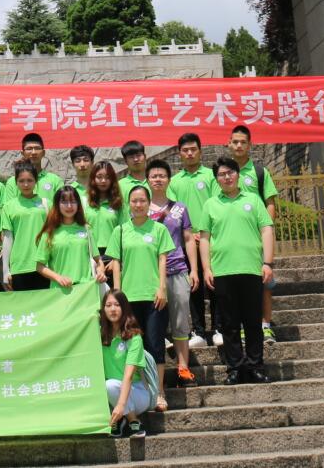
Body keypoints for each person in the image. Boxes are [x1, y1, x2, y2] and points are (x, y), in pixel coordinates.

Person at [198, 156, 275, 385]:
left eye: (230, 172)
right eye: (221, 174)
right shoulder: (210, 204)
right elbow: (204, 238)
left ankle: (255, 366)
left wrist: (267, 263)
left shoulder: (253, 200)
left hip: (252, 269)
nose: (227, 177)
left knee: (253, 322)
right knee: (229, 324)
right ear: (216, 179)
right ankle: (234, 368)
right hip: (222, 271)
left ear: (238, 175)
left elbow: (266, 230)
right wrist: (206, 268)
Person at [108, 185, 173, 403]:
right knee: (132, 346)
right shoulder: (120, 231)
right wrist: (117, 295)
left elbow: (162, 260)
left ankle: (159, 392)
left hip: (154, 297)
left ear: (148, 203)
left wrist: (162, 288)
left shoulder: (159, 229)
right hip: (128, 299)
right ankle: (138, 392)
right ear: (129, 204)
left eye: (142, 201)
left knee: (155, 344)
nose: (138, 205)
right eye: (134, 201)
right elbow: (116, 264)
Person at [146, 159, 198, 393]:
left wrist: (193, 269)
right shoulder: (140, 207)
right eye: (153, 176)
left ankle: (183, 368)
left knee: (180, 321)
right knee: (154, 324)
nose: (158, 179)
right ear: (147, 180)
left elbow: (188, 239)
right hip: (151, 274)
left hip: (177, 270)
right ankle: (155, 373)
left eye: (162, 175)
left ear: (169, 180)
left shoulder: (180, 208)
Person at [168, 133, 221, 350]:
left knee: (215, 284)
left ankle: (218, 328)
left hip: (210, 240)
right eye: (185, 150)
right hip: (186, 242)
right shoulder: (174, 182)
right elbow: (172, 212)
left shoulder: (211, 176)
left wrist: (205, 231)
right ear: (179, 153)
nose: (189, 153)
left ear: (200, 151)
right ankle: (198, 331)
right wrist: (187, 233)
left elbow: (217, 204)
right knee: (193, 285)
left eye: (193, 149)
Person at [229, 125, 279, 344]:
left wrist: (266, 230)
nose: (239, 145)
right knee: (238, 284)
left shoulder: (259, 172)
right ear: (229, 144)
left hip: (257, 238)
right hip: (233, 239)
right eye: (235, 142)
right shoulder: (224, 172)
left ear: (250, 145)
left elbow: (270, 203)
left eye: (243, 142)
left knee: (264, 282)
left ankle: (265, 325)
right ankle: (242, 326)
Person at [34, 185, 105, 290]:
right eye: (64, 202)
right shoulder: (49, 232)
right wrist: (58, 278)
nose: (69, 206)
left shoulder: (86, 229)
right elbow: (40, 266)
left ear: (78, 204)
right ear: (57, 205)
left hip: (86, 290)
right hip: (59, 291)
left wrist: (100, 272)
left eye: (73, 201)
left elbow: (98, 260)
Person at [101, 290, 151, 439]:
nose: (112, 309)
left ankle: (133, 420)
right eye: (108, 305)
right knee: (109, 386)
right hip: (112, 395)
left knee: (110, 385)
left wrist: (120, 405)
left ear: (124, 308)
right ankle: (121, 418)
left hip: (137, 393)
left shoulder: (134, 337)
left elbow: (128, 376)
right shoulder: (99, 335)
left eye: (117, 305)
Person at [0, 162, 51, 291]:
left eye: (30, 180)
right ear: (16, 182)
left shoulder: (47, 204)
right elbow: (7, 239)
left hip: (45, 265)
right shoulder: (9, 207)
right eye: (21, 181)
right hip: (19, 266)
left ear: (36, 181)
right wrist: (6, 270)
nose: (26, 184)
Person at [87, 160, 127, 280]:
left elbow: (125, 232)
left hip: (113, 256)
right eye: (99, 177)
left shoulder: (119, 204)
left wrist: (117, 259)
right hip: (90, 255)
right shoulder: (85, 202)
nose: (103, 181)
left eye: (107, 177)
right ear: (93, 179)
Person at [19, 133, 65, 203]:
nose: (33, 152)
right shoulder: (13, 182)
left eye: (37, 148)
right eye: (29, 148)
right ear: (22, 153)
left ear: (43, 153)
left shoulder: (55, 180)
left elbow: (61, 205)